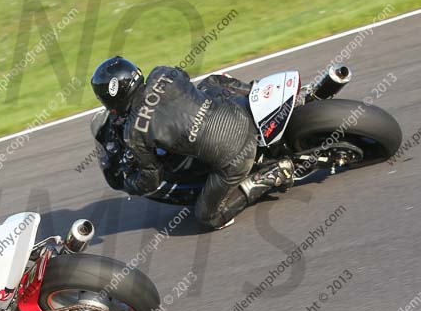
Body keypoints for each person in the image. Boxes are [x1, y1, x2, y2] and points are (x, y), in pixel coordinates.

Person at [90, 56, 295, 229]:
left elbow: (152, 178)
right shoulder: (162, 73)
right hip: (239, 113)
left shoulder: (133, 134)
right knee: (211, 82)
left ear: (112, 100)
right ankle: (256, 92)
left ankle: (271, 175)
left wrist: (131, 184)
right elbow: (185, 84)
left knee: (207, 217)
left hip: (236, 156)